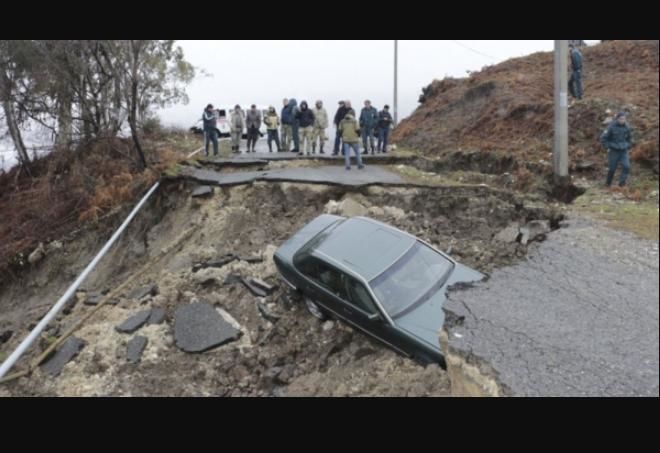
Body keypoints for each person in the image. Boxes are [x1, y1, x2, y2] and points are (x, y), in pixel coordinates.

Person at [600, 111, 634, 187]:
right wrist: (608, 147)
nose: (623, 120)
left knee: (626, 166)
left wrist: (628, 145)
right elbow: (603, 138)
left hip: (623, 151)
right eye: (621, 119)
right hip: (613, 151)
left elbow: (630, 138)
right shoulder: (611, 127)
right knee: (612, 169)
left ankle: (621, 184)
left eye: (624, 119)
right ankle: (608, 183)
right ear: (617, 119)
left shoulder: (627, 127)